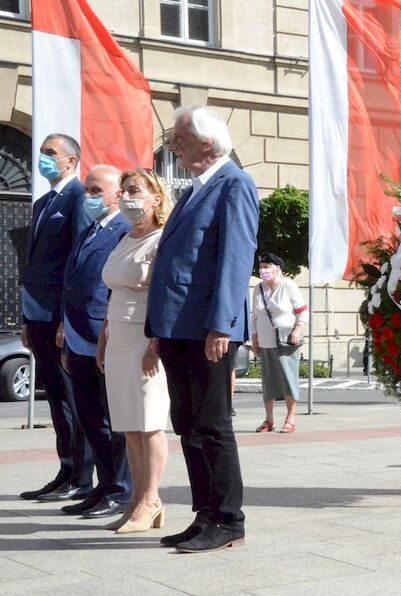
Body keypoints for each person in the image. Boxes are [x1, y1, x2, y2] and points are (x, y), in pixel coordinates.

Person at [146, 106, 258, 553]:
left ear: (207, 144)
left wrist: (221, 325)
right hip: (178, 329)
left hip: (207, 330)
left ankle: (228, 519)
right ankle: (205, 513)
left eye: (179, 137)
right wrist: (159, 327)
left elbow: (235, 259)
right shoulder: (195, 190)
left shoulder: (235, 184)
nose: (172, 144)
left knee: (212, 425)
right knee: (188, 422)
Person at [19, 134, 94, 503]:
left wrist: (68, 318)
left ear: (71, 161)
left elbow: (76, 261)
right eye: (41, 153)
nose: (43, 158)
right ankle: (65, 469)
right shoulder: (44, 202)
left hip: (61, 317)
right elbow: (35, 263)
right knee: (54, 399)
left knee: (70, 398)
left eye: (51, 153)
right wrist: (27, 318)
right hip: (39, 315)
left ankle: (81, 476)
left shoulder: (78, 198)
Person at [99, 168, 173, 533]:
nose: (127, 197)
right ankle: (136, 501)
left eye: (135, 190)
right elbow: (114, 288)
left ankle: (152, 498)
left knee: (150, 423)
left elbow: (166, 294)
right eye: (124, 190)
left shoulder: (162, 239)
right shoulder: (124, 238)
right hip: (118, 335)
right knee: (129, 424)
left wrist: (156, 343)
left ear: (155, 197)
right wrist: (104, 333)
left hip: (146, 336)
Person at [59, 165, 133, 519]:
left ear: (116, 195)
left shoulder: (124, 230)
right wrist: (63, 326)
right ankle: (102, 487)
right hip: (76, 336)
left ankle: (121, 491)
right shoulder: (89, 230)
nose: (87, 195)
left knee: (112, 419)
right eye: (86, 189)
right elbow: (72, 281)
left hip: (104, 336)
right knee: (89, 419)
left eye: (94, 190)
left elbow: (113, 287)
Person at [250, 253, 308, 434]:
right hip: (265, 342)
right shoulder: (258, 289)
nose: (263, 270)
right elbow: (255, 316)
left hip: (286, 341)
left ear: (278, 269)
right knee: (268, 382)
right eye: (262, 267)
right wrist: (254, 338)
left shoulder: (289, 285)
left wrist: (297, 329)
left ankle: (290, 418)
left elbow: (302, 311)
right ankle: (269, 419)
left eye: (267, 267)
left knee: (288, 380)